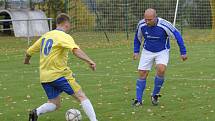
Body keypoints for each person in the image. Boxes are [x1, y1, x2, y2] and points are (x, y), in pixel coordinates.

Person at [24, 13, 98, 121]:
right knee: (81, 96)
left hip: (45, 77)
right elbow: (75, 50)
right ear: (66, 24)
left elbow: (29, 51)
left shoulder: (46, 35)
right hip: (59, 75)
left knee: (55, 104)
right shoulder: (63, 36)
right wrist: (89, 60)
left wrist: (26, 61)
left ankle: (36, 112)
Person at [132, 8, 188, 106]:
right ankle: (138, 100)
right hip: (147, 51)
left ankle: (155, 95)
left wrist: (183, 52)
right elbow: (137, 37)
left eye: (149, 20)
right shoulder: (141, 24)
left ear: (155, 18)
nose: (147, 22)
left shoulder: (165, 25)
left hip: (162, 51)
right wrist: (136, 51)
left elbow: (177, 36)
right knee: (142, 73)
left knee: (161, 69)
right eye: (145, 19)